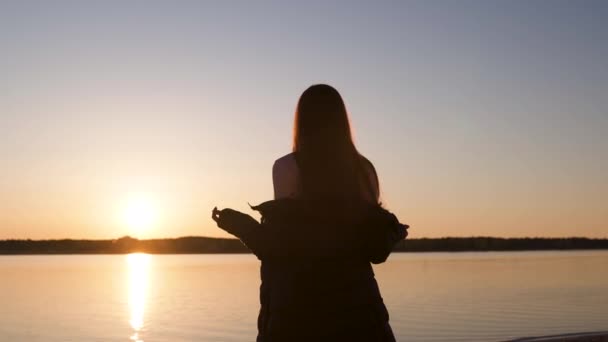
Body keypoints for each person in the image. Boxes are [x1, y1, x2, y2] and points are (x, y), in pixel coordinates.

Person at [212, 84, 408, 342]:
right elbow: (373, 246)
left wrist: (244, 227)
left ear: (302, 120)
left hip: (297, 312)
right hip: (360, 315)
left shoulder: (286, 167)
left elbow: (287, 241)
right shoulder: (364, 169)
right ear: (341, 120)